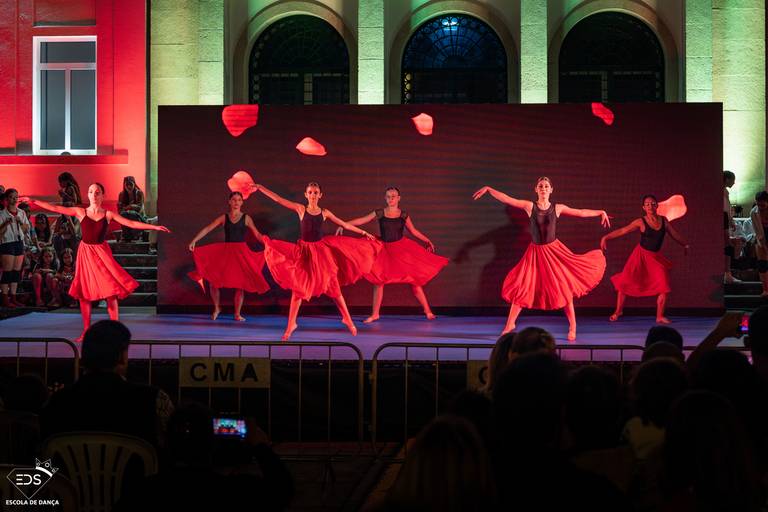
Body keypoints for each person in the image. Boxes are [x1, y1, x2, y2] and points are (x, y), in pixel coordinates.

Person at [21, 183, 170, 341]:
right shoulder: (81, 212)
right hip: (86, 254)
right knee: (84, 294)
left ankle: (115, 330)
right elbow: (56, 208)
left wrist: (154, 227)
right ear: (88, 194)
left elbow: (131, 223)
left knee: (111, 291)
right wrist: (33, 201)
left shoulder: (108, 214)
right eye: (91, 192)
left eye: (97, 192)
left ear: (102, 195)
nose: (94, 195)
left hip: (101, 254)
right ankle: (86, 330)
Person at [473, 177, 610, 340]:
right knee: (523, 285)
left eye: (546, 186)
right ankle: (510, 324)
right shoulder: (530, 206)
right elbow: (508, 199)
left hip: (554, 253)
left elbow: (580, 212)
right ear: (536, 189)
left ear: (551, 190)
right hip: (535, 254)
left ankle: (573, 326)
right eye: (540, 186)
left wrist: (600, 212)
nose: (543, 188)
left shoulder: (557, 208)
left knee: (563, 287)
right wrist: (489, 189)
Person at [253, 182, 379, 341]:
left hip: (320, 253)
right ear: (306, 195)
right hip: (304, 253)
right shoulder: (301, 209)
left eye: (315, 192)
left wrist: (363, 232)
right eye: (310, 192)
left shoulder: (325, 212)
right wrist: (260, 188)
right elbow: (278, 199)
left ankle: (347, 318)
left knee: (333, 286)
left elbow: (344, 224)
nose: (313, 195)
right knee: (299, 287)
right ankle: (291, 324)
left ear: (320, 195)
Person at [40, 320, 174, 449]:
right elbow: (173, 443)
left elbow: (43, 451)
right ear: (122, 357)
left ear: (84, 357)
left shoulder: (56, 402)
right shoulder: (154, 399)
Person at [337, 187, 448, 322]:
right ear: (385, 198)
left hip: (401, 249)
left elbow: (413, 231)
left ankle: (428, 311)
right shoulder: (380, 213)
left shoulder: (403, 215)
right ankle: (375, 314)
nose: (391, 199)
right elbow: (362, 220)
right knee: (378, 281)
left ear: (399, 198)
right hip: (383, 249)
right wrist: (343, 224)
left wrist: (427, 240)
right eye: (388, 196)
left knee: (414, 280)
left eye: (393, 196)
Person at [600, 195, 689, 323]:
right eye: (647, 204)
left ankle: (659, 316)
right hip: (640, 256)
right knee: (625, 282)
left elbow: (674, 234)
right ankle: (618, 311)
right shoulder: (640, 221)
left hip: (655, 258)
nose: (650, 206)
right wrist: (606, 237)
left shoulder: (664, 221)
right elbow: (623, 230)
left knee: (663, 286)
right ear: (643, 207)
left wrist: (685, 244)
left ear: (657, 205)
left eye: (652, 203)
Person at [188, 192, 270, 321]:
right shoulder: (224, 217)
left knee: (240, 284)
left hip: (241, 253)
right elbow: (208, 228)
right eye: (234, 200)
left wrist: (268, 244)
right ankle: (217, 308)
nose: (236, 202)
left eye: (239, 200)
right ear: (229, 202)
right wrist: (194, 240)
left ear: (242, 202)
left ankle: (237, 314)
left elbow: (257, 234)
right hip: (226, 253)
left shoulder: (246, 218)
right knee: (213, 281)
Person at [0, 189, 31, 308]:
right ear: (6, 199)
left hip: (19, 242)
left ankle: (13, 297)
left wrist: (20, 222)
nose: (14, 199)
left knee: (16, 272)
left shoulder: (21, 213)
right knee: (7, 272)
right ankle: (5, 298)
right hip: (7, 243)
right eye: (12, 197)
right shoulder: (2, 214)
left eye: (16, 197)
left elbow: (26, 229)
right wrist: (6, 223)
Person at [723, 171, 741, 284]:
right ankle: (727, 274)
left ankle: (727, 273)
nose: (734, 183)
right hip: (722, 218)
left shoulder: (725, 191)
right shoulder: (722, 191)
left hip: (725, 218)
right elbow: (725, 209)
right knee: (727, 245)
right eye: (733, 180)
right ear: (727, 179)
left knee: (728, 246)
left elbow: (727, 209)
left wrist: (731, 220)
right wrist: (729, 220)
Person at [117, 176, 146, 242]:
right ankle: (126, 236)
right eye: (127, 185)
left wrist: (129, 207)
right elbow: (120, 209)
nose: (129, 187)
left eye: (131, 184)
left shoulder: (139, 193)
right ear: (124, 185)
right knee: (123, 215)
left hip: (139, 216)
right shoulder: (121, 194)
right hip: (126, 215)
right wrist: (130, 207)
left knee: (132, 214)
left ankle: (136, 235)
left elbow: (139, 208)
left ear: (134, 184)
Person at [750, 191, 768, 297]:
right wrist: (763, 246)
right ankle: (765, 289)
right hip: (761, 236)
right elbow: (758, 233)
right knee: (762, 264)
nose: (760, 207)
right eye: (758, 204)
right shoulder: (753, 212)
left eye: (763, 205)